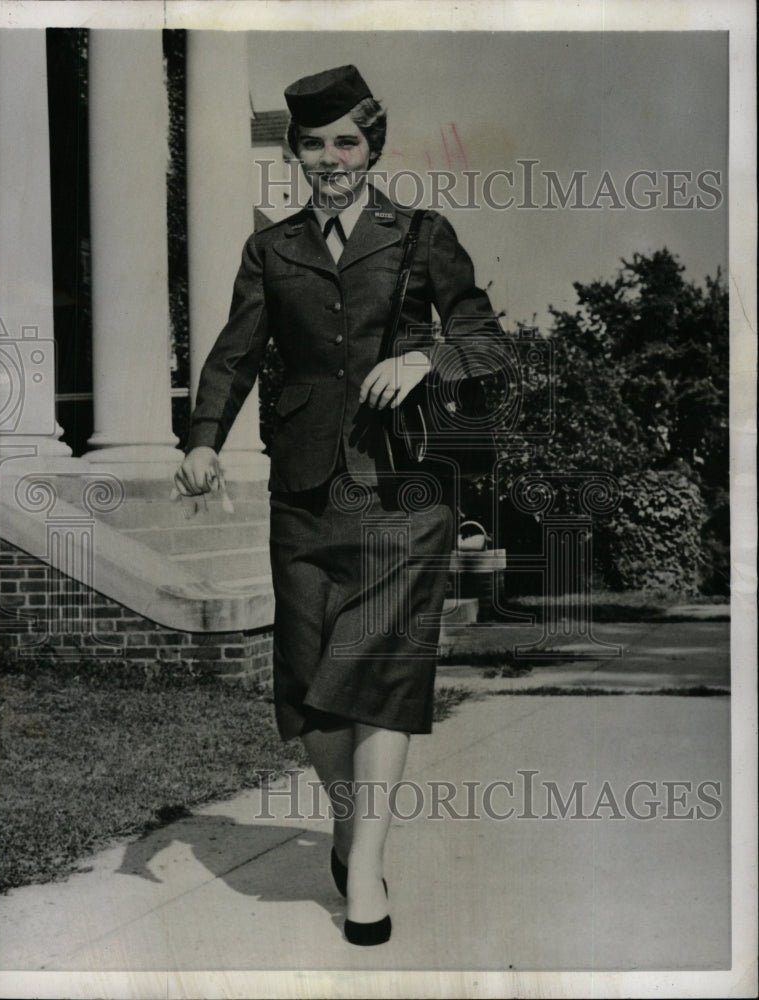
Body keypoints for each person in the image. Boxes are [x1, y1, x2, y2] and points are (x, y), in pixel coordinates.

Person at [174, 64, 500, 946]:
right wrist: (203, 437)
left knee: (382, 674)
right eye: (313, 144)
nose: (330, 159)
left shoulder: (419, 234)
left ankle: (362, 873)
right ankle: (355, 828)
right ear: (295, 152)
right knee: (311, 686)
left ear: (373, 145)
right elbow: (236, 353)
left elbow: (485, 337)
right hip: (306, 486)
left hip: (402, 489)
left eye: (346, 142)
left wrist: (426, 360)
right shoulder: (270, 248)